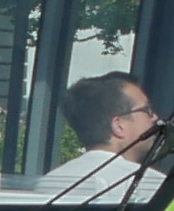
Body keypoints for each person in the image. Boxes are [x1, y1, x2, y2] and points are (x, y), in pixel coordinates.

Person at [35, 72, 163, 203]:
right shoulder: (154, 186)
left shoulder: (49, 182)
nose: (155, 117)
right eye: (147, 110)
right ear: (119, 126)